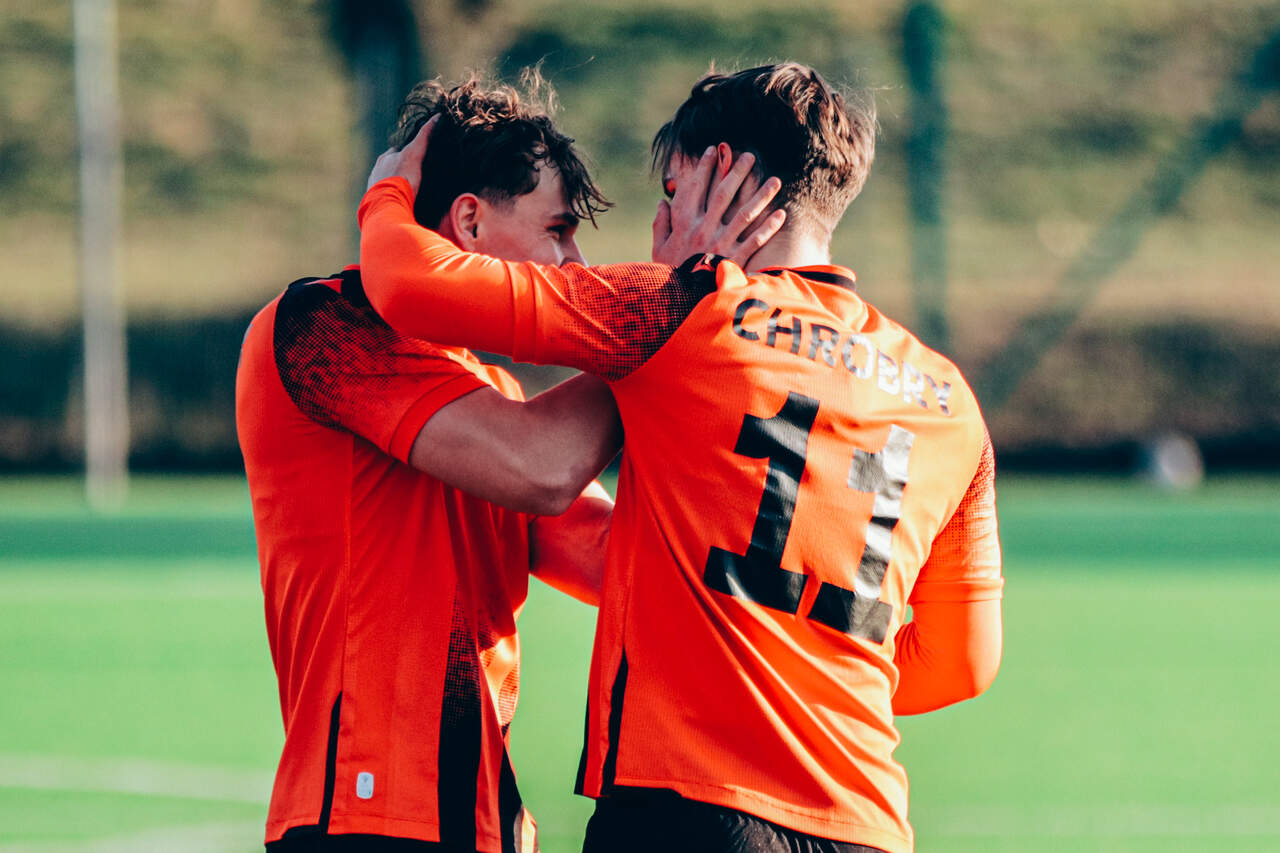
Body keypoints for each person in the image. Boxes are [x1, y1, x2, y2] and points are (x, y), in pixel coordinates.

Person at [357, 63, 1003, 853]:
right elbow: (964, 661)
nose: (662, 220)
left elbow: (405, 284)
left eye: (672, 189)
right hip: (865, 822)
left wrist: (387, 190)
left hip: (690, 810)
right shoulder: (949, 399)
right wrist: (809, 681)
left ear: (717, 172)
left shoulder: (680, 306)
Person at [237, 75, 622, 853]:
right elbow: (542, 465)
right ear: (469, 221)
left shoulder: (495, 396)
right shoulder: (322, 325)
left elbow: (622, 556)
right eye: (557, 230)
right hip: (366, 817)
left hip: (484, 824)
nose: (578, 265)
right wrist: (672, 330)